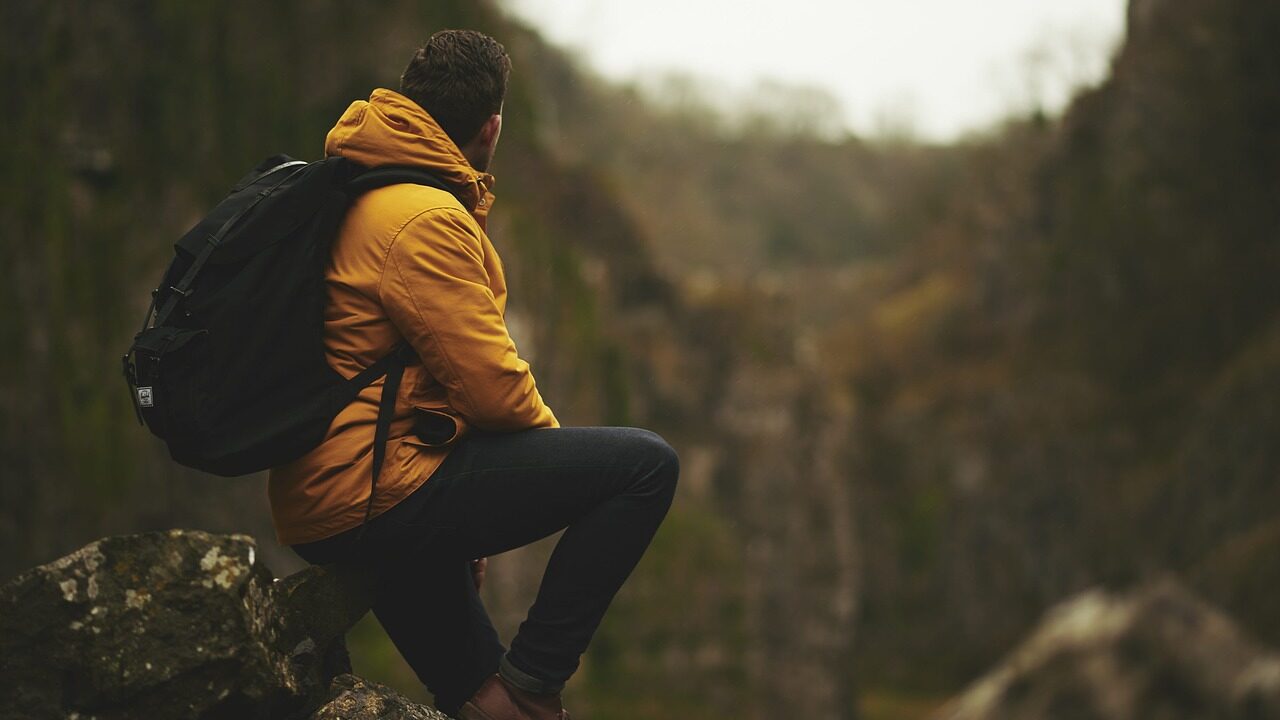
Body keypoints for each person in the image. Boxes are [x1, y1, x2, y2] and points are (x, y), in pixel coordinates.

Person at [268, 29, 679, 720]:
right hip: (374, 493)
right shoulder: (422, 218)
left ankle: (513, 695)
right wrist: (539, 473)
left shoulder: (362, 185)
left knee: (486, 703)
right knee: (644, 467)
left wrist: (471, 520)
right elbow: (493, 388)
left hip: (342, 490)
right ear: (491, 128)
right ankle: (536, 679)